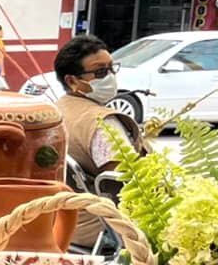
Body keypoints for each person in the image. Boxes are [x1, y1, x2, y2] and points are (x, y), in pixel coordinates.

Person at [53, 35, 149, 248]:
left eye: (112, 69)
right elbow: (130, 182)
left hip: (63, 222)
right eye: (100, 72)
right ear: (72, 81)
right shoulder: (103, 123)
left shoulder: (55, 111)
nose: (110, 77)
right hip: (104, 228)